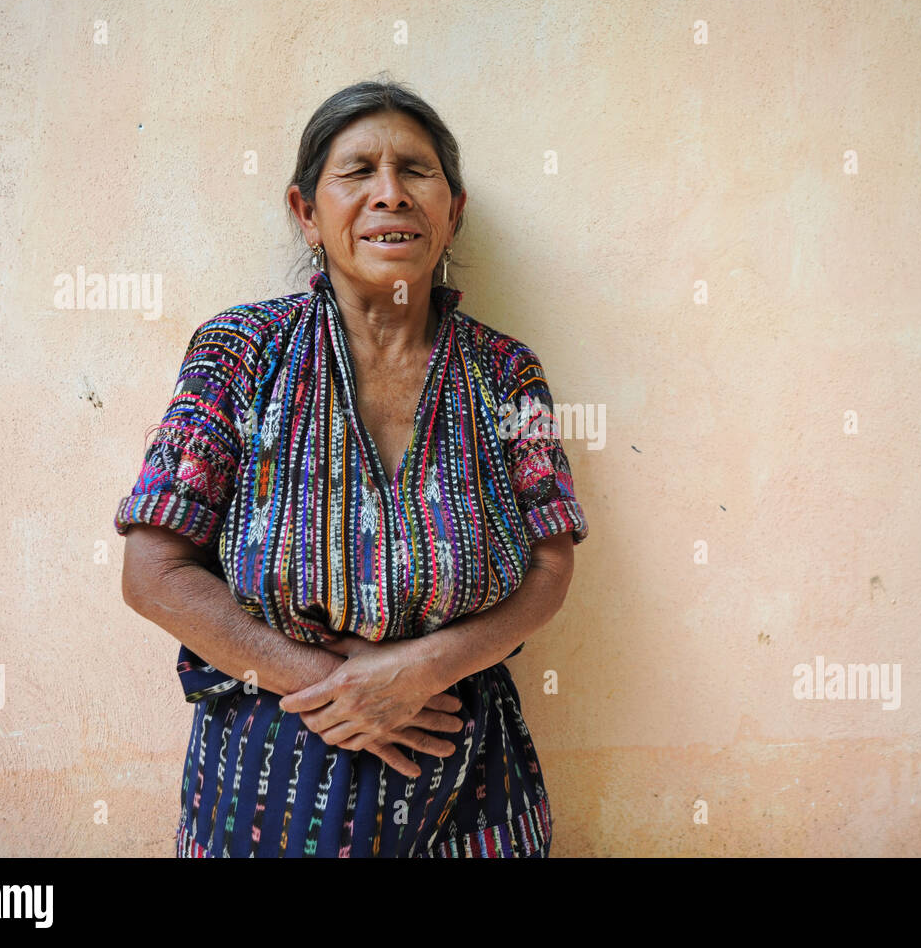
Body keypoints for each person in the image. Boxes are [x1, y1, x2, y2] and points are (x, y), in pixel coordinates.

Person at [114, 79, 588, 857]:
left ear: (453, 210)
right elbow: (152, 571)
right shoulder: (240, 354)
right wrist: (333, 684)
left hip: (471, 776)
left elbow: (551, 563)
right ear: (306, 213)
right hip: (273, 780)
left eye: (416, 171)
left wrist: (421, 668)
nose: (390, 194)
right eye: (358, 171)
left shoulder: (505, 373)